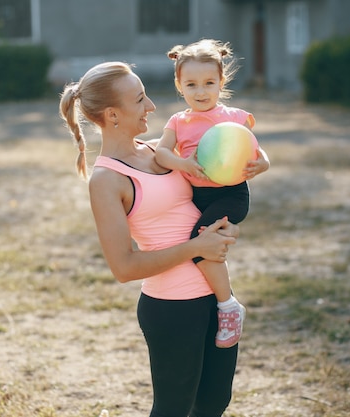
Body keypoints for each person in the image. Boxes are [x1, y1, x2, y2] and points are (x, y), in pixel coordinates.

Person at [59, 61, 241, 417]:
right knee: (175, 408)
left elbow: (211, 199)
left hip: (217, 299)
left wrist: (228, 226)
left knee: (213, 403)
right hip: (172, 309)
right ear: (112, 115)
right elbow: (124, 267)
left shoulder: (160, 150)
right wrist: (196, 248)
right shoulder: (108, 180)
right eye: (141, 99)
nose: (152, 106)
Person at [155, 39, 270, 348]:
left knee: (199, 243)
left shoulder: (234, 117)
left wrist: (264, 164)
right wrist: (184, 164)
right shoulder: (178, 122)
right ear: (179, 85)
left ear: (222, 82)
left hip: (231, 195)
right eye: (191, 84)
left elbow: (257, 151)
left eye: (209, 83)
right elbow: (162, 153)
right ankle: (211, 302)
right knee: (197, 247)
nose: (201, 91)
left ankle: (228, 306)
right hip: (197, 196)